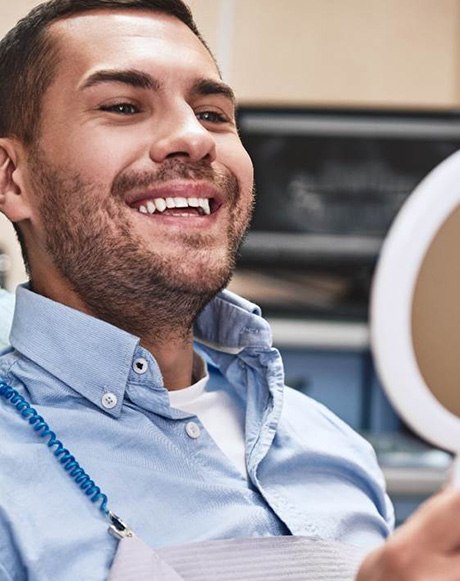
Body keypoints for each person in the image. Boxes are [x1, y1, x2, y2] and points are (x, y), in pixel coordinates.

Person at [1, 0, 437, 578]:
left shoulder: (331, 445)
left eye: (212, 114)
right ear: (13, 178)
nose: (193, 137)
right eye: (124, 106)